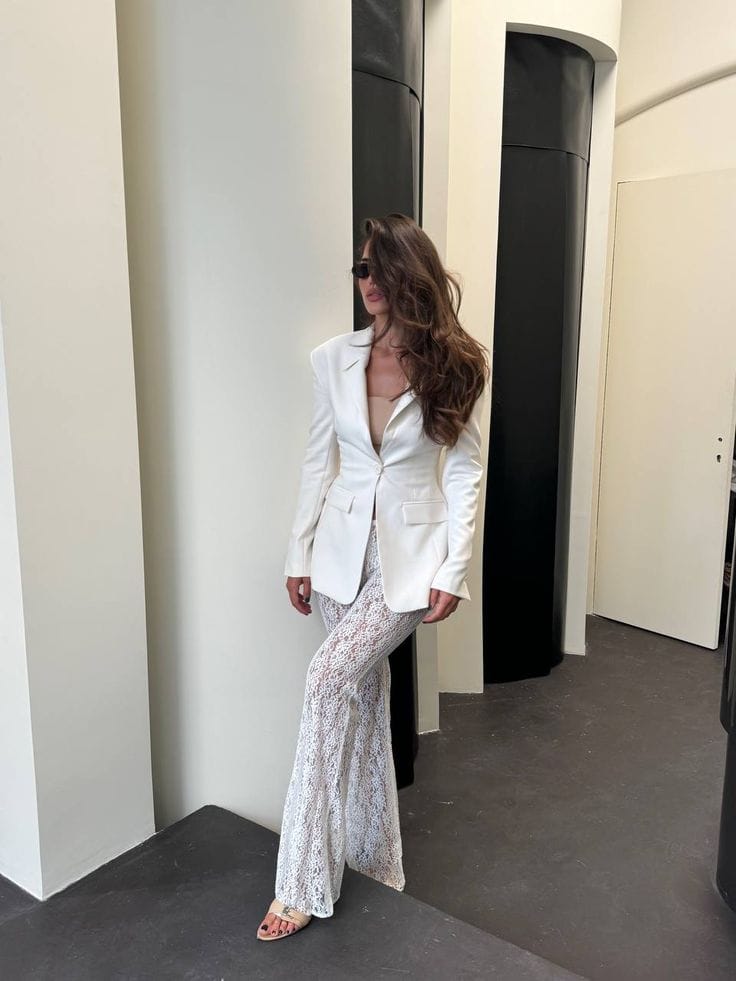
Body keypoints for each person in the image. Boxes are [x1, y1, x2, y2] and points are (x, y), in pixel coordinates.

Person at [257, 213, 490, 941]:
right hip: (337, 552)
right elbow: (316, 461)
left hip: (408, 558)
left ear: (407, 273)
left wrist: (454, 566)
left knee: (328, 681)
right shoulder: (333, 359)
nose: (367, 282)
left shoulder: (454, 364)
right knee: (361, 694)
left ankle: (299, 881)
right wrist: (298, 554)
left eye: (378, 267)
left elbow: (466, 470)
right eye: (360, 269)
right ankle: (378, 857)